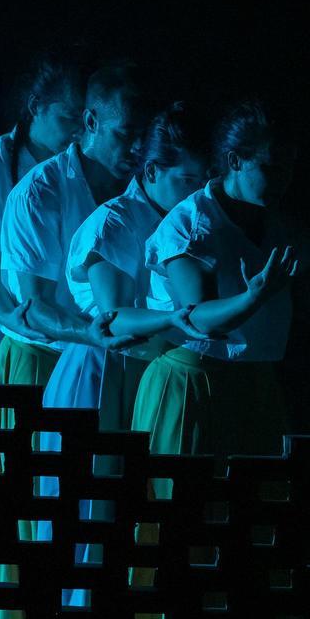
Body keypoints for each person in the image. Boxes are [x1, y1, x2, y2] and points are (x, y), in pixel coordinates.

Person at [133, 96, 310, 469]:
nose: (283, 180)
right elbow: (196, 319)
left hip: (256, 392)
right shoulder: (192, 224)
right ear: (236, 161)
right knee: (186, 514)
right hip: (191, 386)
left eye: (289, 168)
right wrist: (252, 298)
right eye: (271, 167)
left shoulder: (282, 229)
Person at [0, 62, 150, 546]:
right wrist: (92, 333)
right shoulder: (39, 192)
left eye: (143, 136)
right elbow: (32, 307)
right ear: (90, 123)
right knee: (35, 516)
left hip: (116, 361)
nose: (135, 148)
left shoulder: (137, 189)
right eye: (125, 134)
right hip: (40, 360)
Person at [38, 104, 213, 554]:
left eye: (203, 179)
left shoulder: (190, 224)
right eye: (189, 180)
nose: (199, 190)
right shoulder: (115, 222)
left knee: (132, 519)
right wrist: (178, 321)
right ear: (152, 170)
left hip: (146, 374)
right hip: (101, 375)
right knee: (87, 518)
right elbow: (114, 322)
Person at [0, 51, 88, 383]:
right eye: (68, 118)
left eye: (85, 120)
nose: (79, 131)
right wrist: (20, 324)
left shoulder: (78, 170)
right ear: (36, 105)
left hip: (71, 336)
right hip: (0, 331)